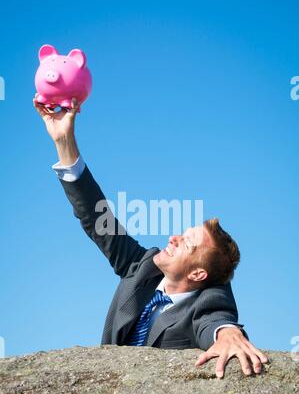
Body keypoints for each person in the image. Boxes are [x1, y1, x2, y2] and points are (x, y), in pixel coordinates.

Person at [33, 96, 268, 378]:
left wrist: (227, 333)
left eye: (187, 243)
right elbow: (97, 218)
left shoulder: (208, 299)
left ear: (197, 274)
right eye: (182, 233)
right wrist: (64, 140)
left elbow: (215, 320)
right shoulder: (141, 266)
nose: (173, 238)